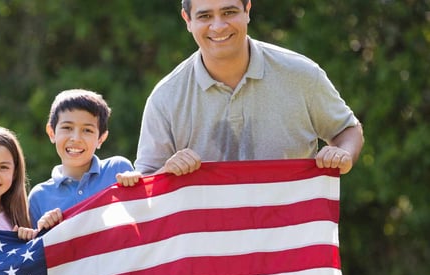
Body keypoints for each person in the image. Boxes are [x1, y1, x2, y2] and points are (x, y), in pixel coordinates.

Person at [120, 0, 364, 185]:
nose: (218, 26)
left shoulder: (301, 74)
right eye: (205, 16)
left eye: (229, 12)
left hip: (290, 240)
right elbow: (146, 184)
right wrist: (167, 172)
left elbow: (347, 129)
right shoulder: (165, 97)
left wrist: (342, 154)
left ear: (247, 10)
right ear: (187, 20)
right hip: (206, 245)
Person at [28, 89, 134, 230]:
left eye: (87, 130)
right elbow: (35, 247)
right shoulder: (39, 196)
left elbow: (143, 218)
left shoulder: (118, 169)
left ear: (101, 138)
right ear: (52, 133)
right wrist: (43, 229)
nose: (76, 138)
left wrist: (137, 185)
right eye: (67, 127)